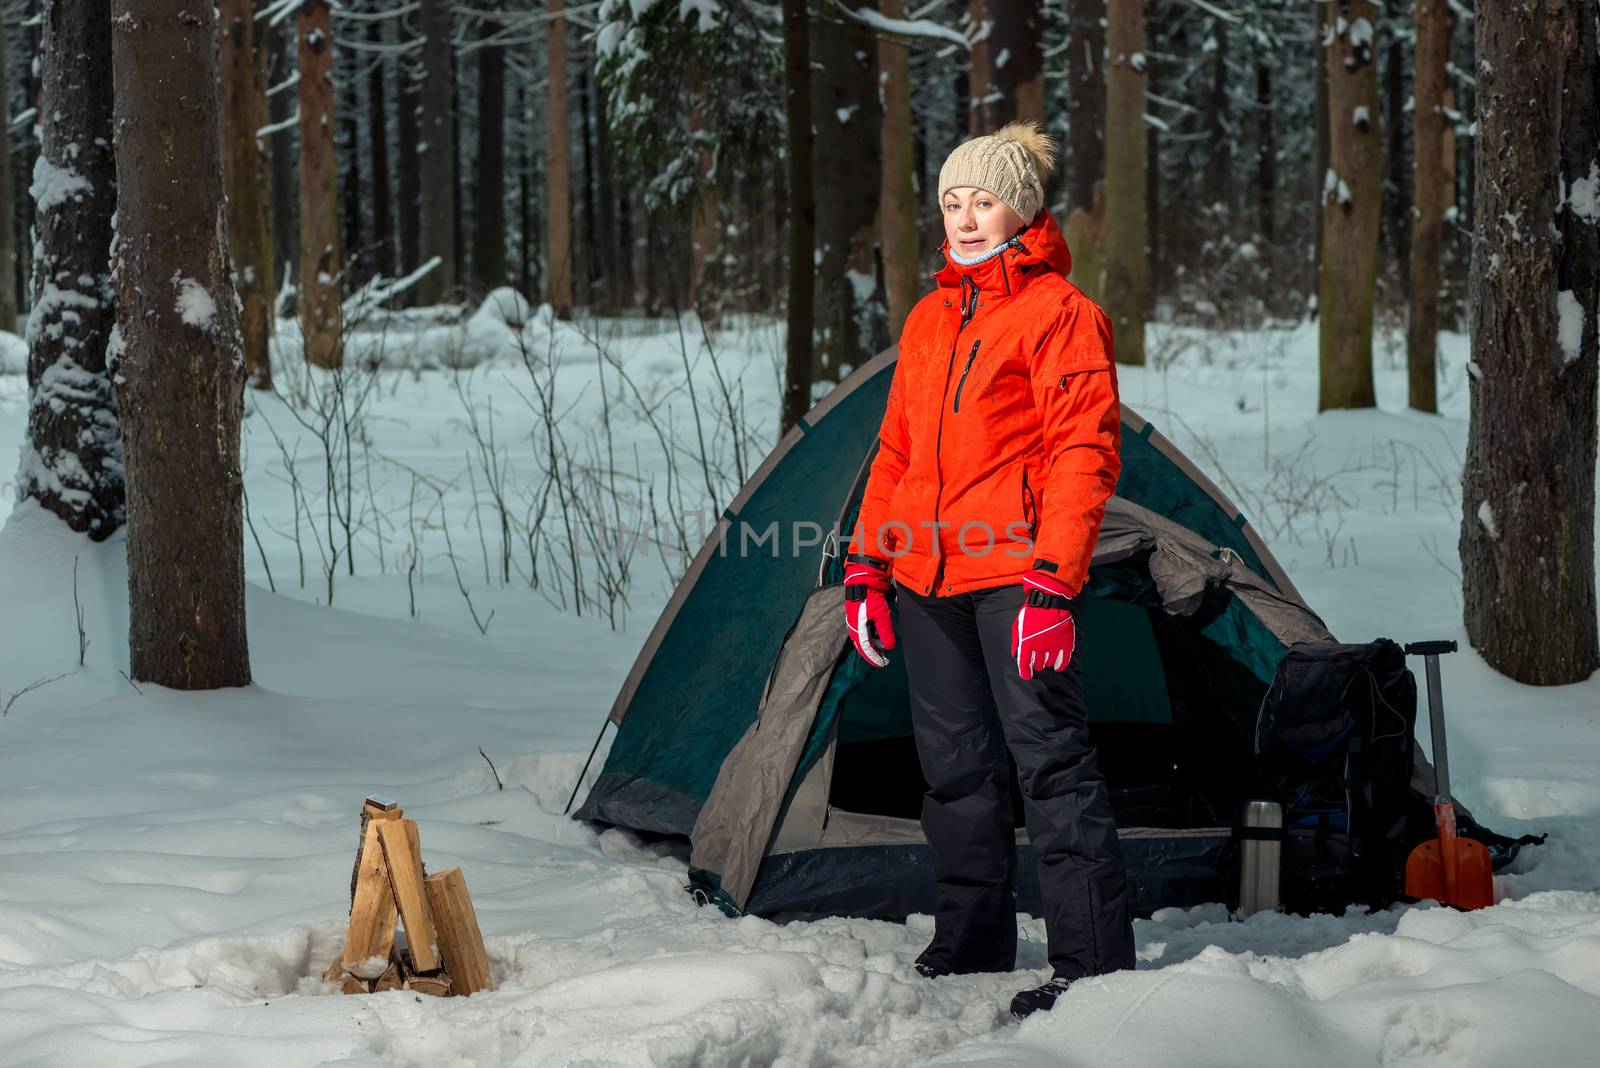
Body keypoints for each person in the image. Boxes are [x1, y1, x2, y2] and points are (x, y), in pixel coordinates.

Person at [842, 121, 1136, 1020]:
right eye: (953, 203)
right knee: (956, 773)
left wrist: (1053, 583)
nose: (966, 219)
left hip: (1016, 578)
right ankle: (972, 941)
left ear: (1024, 209)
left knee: (1052, 767)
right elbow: (895, 452)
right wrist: (868, 569)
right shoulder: (931, 317)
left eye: (984, 200)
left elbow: (1084, 450)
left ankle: (1091, 966)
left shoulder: (1061, 314)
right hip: (927, 582)